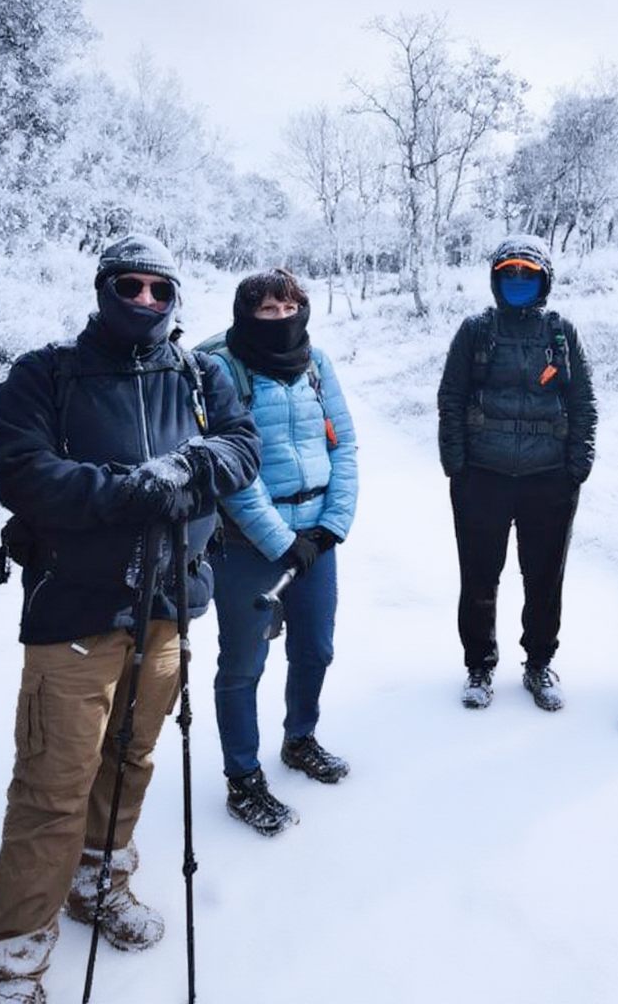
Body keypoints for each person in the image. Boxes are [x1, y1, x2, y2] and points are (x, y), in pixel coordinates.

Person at [0, 234, 261, 1004]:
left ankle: (98, 882)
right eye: (127, 287)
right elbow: (27, 475)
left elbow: (240, 449)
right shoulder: (46, 372)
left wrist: (190, 468)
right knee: (53, 781)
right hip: (76, 608)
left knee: (130, 759)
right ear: (103, 290)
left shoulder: (202, 374)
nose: (143, 301)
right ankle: (12, 953)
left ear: (175, 299)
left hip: (168, 605)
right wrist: (136, 490)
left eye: (157, 290)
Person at [199, 268, 357, 837]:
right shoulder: (219, 368)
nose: (281, 319)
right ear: (246, 314)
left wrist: (331, 526)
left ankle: (300, 739)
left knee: (315, 649)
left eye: (289, 308)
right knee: (243, 665)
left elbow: (345, 443)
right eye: (266, 310)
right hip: (246, 546)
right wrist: (280, 541)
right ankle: (242, 777)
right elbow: (230, 468)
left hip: (316, 539)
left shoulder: (317, 364)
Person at [437, 235, 597, 711]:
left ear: (544, 279)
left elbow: (583, 401)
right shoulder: (475, 331)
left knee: (544, 577)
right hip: (481, 476)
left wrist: (577, 465)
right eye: (510, 273)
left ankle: (539, 663)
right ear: (495, 277)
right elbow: (451, 398)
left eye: (528, 274)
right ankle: (479, 666)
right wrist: (456, 466)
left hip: (549, 477)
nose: (518, 282)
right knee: (480, 576)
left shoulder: (561, 332)